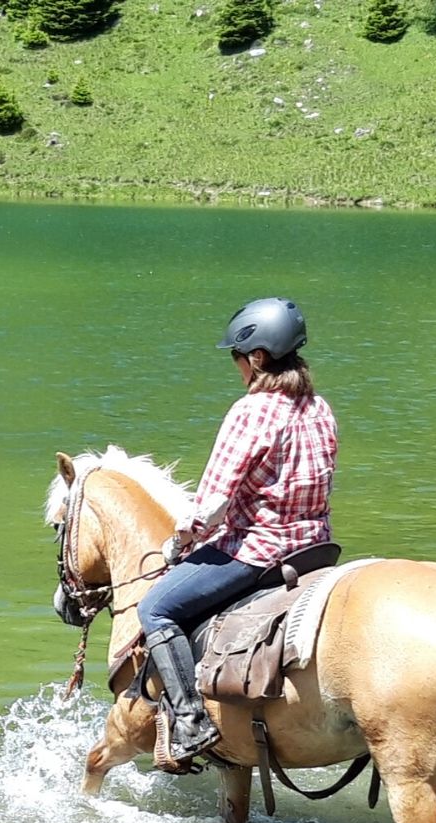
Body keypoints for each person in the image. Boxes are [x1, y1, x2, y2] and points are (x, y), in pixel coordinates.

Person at [140, 296, 338, 765]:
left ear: (257, 358)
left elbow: (210, 507)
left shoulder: (251, 411)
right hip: (314, 549)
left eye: (236, 358)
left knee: (156, 608)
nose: (237, 368)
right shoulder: (320, 407)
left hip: (257, 551)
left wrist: (180, 542)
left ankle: (189, 722)